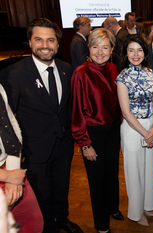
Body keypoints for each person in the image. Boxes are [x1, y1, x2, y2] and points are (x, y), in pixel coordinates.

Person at [0, 18, 83, 233]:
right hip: (33, 151)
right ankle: (48, 227)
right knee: (42, 194)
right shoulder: (13, 74)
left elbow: (68, 108)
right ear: (29, 42)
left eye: (50, 40)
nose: (45, 45)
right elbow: (7, 119)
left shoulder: (67, 70)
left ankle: (62, 219)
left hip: (64, 146)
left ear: (57, 43)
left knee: (61, 189)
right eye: (39, 39)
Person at [71, 28, 123, 233]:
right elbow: (76, 112)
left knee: (112, 173)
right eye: (95, 47)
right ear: (88, 48)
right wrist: (85, 144)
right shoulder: (80, 73)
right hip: (92, 132)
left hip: (113, 130)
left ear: (111, 49)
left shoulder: (112, 68)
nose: (100, 52)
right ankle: (102, 225)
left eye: (105, 47)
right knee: (97, 180)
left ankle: (112, 208)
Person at [116, 35, 153, 227]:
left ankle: (147, 205)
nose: (135, 54)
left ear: (144, 52)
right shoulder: (122, 77)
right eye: (131, 50)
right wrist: (145, 133)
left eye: (139, 50)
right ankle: (135, 213)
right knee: (135, 172)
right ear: (125, 53)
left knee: (149, 169)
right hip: (133, 130)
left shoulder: (150, 72)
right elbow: (125, 111)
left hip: (150, 126)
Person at [0, 84, 44, 233]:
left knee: (33, 223)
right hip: (6, 174)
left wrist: (13, 170)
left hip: (8, 166)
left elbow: (11, 124)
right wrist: (9, 176)